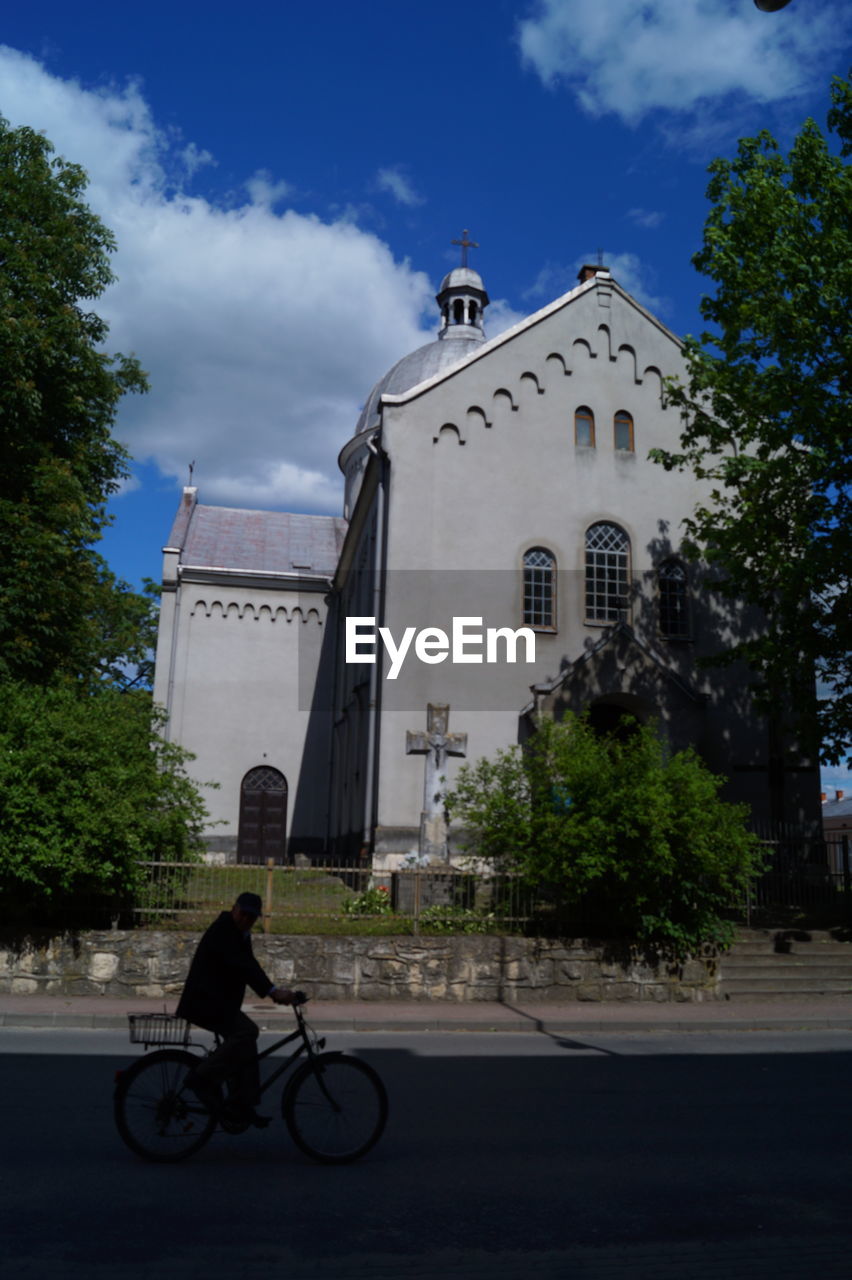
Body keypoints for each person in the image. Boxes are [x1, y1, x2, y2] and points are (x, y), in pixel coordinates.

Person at [176, 891, 295, 1127]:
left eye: (252, 917)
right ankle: (201, 1077)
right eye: (244, 914)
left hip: (218, 1002)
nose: (246, 920)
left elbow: (249, 965)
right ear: (234, 909)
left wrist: (274, 990)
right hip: (204, 1002)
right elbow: (243, 965)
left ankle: (243, 1104)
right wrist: (272, 992)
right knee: (246, 1032)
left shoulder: (239, 932)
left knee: (247, 1044)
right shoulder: (224, 930)